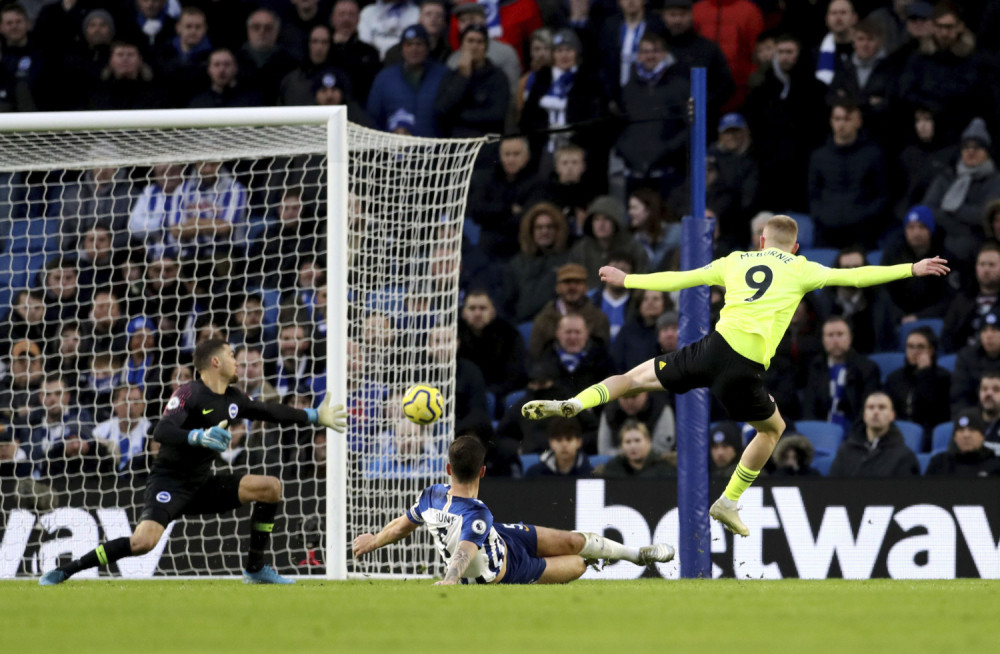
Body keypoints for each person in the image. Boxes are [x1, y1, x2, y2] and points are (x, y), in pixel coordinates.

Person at [522, 214, 948, 536]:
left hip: (712, 349)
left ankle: (576, 403)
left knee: (634, 378)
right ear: (795, 247)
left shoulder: (735, 260)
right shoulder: (802, 269)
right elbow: (855, 277)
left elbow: (680, 279)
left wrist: (627, 278)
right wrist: (911, 268)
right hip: (744, 369)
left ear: (760, 241)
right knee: (772, 429)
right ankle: (728, 500)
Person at [39, 338, 348, 586]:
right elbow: (163, 429)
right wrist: (198, 437)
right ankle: (67, 570)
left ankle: (255, 569)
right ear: (215, 362)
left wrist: (313, 416)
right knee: (142, 543)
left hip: (202, 483)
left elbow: (270, 411)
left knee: (269, 487)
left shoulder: (234, 398)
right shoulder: (188, 393)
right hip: (170, 484)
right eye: (231, 355)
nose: (236, 361)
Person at [352, 435, 674, 584]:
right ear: (483, 472)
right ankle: (600, 558)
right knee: (577, 563)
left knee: (571, 539)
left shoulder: (432, 495)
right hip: (506, 573)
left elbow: (401, 525)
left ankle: (637, 555)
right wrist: (451, 579)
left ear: (448, 469)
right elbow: (464, 551)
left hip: (502, 538)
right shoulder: (476, 514)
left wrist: (372, 542)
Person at [828, 391, 920, 477]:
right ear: (864, 415)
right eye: (870, 407)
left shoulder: (904, 456)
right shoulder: (845, 451)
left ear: (892, 415)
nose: (876, 412)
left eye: (882, 407)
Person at [925, 408, 1000, 476]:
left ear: (982, 436)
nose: (966, 435)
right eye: (961, 430)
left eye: (972, 429)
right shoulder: (939, 463)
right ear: (954, 437)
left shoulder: (996, 464)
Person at [595, 419, 676, 478]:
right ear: (621, 445)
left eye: (637, 440)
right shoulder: (613, 469)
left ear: (648, 441)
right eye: (628, 442)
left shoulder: (665, 469)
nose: (633, 446)